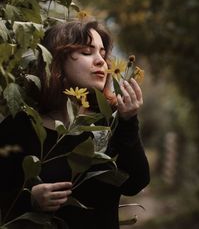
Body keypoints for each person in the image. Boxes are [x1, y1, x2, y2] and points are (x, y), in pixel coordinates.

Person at [0, 19, 150, 229]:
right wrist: (28, 200)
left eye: (102, 53)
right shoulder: (20, 127)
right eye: (88, 52)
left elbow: (135, 183)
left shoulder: (109, 123)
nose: (101, 62)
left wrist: (129, 120)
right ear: (57, 61)